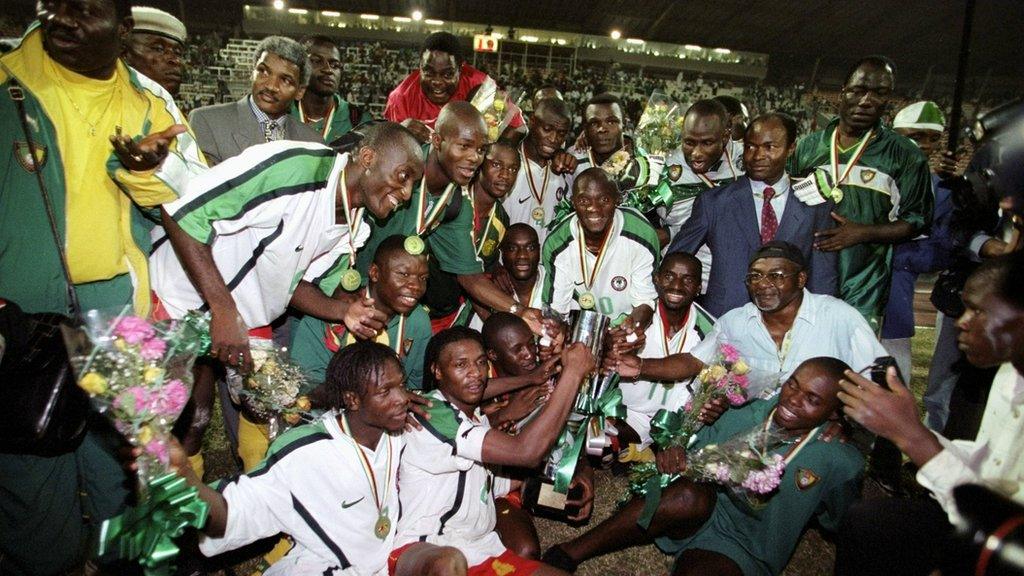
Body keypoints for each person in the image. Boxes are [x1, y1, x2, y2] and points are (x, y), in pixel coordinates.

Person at [0, 1, 203, 572]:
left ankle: (126, 565)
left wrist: (149, 169)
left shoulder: (150, 102)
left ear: (122, 27)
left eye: (83, 7)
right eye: (51, 3)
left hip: (120, 308)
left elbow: (191, 204)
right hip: (19, 317)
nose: (62, 17)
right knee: (33, 474)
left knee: (134, 465)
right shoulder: (7, 82)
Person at [151, 123, 423, 472]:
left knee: (268, 404)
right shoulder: (294, 166)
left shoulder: (357, 228)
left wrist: (344, 311)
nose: (406, 192)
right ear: (368, 157)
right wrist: (223, 309)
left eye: (413, 184)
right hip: (178, 297)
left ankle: (251, 500)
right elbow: (183, 212)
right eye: (403, 176)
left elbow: (293, 287)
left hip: (243, 318)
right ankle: (170, 511)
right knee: (176, 421)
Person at [145, 342, 467, 575]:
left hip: (388, 556)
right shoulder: (303, 453)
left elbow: (459, 427)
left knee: (449, 562)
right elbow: (232, 511)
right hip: (326, 567)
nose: (401, 399)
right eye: (386, 392)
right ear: (353, 400)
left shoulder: (398, 428)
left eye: (402, 386)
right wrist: (185, 478)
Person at [544, 357, 864, 576]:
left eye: (812, 399)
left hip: (744, 546)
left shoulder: (837, 459)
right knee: (685, 495)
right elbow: (689, 444)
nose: (793, 399)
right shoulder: (745, 411)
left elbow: (838, 521)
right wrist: (675, 448)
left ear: (835, 414)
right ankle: (571, 551)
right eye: (793, 384)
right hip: (704, 509)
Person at [834, 252, 1024, 576]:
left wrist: (913, 438)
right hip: (987, 516)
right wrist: (906, 425)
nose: (961, 322)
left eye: (978, 310)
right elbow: (993, 469)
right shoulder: (1009, 373)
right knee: (868, 522)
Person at [393, 327, 595, 575]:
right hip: (424, 548)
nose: (475, 373)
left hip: (480, 550)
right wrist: (572, 374)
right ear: (437, 371)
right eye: (461, 364)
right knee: (448, 564)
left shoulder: (477, 421)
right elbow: (526, 452)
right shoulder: (433, 412)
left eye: (480, 363)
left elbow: (498, 485)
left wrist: (564, 493)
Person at [355, 102, 544, 335]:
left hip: (375, 302)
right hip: (334, 284)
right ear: (437, 141)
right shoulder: (398, 169)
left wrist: (519, 311)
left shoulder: (455, 204)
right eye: (464, 146)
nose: (474, 157)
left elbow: (469, 276)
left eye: (481, 149)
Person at [614, 241, 886, 400]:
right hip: (753, 426)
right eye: (755, 276)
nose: (764, 285)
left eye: (777, 276)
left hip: (818, 431)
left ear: (801, 279)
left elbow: (879, 376)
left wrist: (845, 424)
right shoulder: (735, 323)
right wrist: (639, 366)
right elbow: (693, 361)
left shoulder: (839, 317)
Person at [790, 56, 933, 330]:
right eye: (858, 91)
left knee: (851, 365)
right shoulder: (808, 148)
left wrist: (862, 232)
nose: (866, 101)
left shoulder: (905, 154)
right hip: (809, 277)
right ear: (843, 91)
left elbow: (918, 220)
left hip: (865, 282)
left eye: (879, 94)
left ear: (888, 99)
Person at [669, 113, 837, 317]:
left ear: (790, 148)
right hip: (724, 321)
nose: (757, 156)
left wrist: (820, 322)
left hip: (790, 324)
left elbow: (823, 276)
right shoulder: (713, 203)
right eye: (750, 147)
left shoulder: (814, 204)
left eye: (770, 147)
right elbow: (675, 260)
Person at [291, 234, 433, 389]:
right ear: (374, 273)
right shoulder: (328, 313)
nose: (416, 286)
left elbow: (416, 385)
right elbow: (307, 389)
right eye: (403, 274)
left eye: (423, 278)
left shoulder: (417, 320)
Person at [881, 101, 956, 383]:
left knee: (893, 376)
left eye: (932, 138)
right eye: (915, 136)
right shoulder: (871, 173)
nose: (925, 145)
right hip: (851, 289)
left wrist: (892, 252)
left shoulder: (944, 189)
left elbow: (940, 252)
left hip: (896, 297)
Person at [540, 168, 660, 333]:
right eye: (584, 201)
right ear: (573, 202)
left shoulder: (642, 234)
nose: (594, 208)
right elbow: (557, 310)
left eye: (604, 200)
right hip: (579, 328)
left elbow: (645, 300)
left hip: (626, 322)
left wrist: (630, 329)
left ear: (617, 199)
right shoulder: (557, 243)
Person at [617, 253, 715, 451]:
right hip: (627, 413)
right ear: (656, 279)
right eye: (669, 277)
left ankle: (650, 451)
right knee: (596, 448)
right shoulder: (633, 317)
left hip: (674, 422)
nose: (676, 286)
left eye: (687, 279)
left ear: (699, 288)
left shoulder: (710, 329)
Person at [188, 35, 322, 166]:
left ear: (300, 92)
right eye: (263, 71)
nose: (271, 86)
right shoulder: (206, 121)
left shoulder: (313, 142)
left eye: (286, 80)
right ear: (252, 72)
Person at [435, 139, 519, 330]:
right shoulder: (451, 201)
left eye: (513, 169)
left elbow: (481, 268)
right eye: (496, 165)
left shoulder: (501, 220)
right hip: (418, 306)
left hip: (454, 314)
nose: (505, 175)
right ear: (480, 164)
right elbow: (466, 274)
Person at [658, 99, 744, 279]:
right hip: (681, 280)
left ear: (725, 136)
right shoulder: (664, 166)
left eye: (707, 143)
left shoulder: (747, 160)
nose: (696, 153)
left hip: (734, 276)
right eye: (689, 142)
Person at [384, 31, 522, 142]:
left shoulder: (482, 86)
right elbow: (388, 151)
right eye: (429, 73)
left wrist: (492, 134)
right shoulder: (400, 98)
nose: (437, 81)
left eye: (447, 74)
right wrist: (400, 134)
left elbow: (519, 130)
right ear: (419, 67)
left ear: (461, 69)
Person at [503, 97, 575, 243]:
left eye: (561, 133)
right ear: (532, 122)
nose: (553, 138)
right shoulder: (507, 165)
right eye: (547, 129)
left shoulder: (563, 169)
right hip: (504, 262)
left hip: (546, 263)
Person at [291, 35, 371, 144]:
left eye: (335, 65)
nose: (328, 70)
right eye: (317, 61)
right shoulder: (281, 113)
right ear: (299, 66)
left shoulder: (359, 120)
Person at [122, 6, 186, 97]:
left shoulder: (172, 110)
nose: (176, 60)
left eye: (178, 53)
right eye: (158, 49)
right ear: (124, 55)